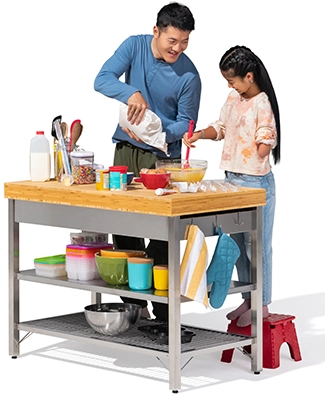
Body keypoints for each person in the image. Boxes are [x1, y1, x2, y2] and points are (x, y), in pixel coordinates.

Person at [94, 2, 201, 320]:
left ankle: (164, 309)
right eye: (172, 40)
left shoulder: (189, 75)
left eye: (184, 42)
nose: (177, 49)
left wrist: (156, 132)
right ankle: (133, 307)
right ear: (157, 31)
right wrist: (131, 93)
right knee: (124, 227)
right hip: (125, 152)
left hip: (162, 159)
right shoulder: (134, 46)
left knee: (161, 233)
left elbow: (187, 124)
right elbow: (102, 79)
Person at [183, 45, 280, 327]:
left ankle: (261, 303)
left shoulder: (263, 103)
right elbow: (222, 127)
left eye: (233, 80)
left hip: (256, 183)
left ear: (249, 76)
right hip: (232, 180)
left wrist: (262, 145)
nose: (230, 85)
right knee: (235, 243)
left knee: (258, 246)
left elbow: (265, 140)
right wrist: (200, 134)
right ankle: (247, 300)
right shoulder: (234, 97)